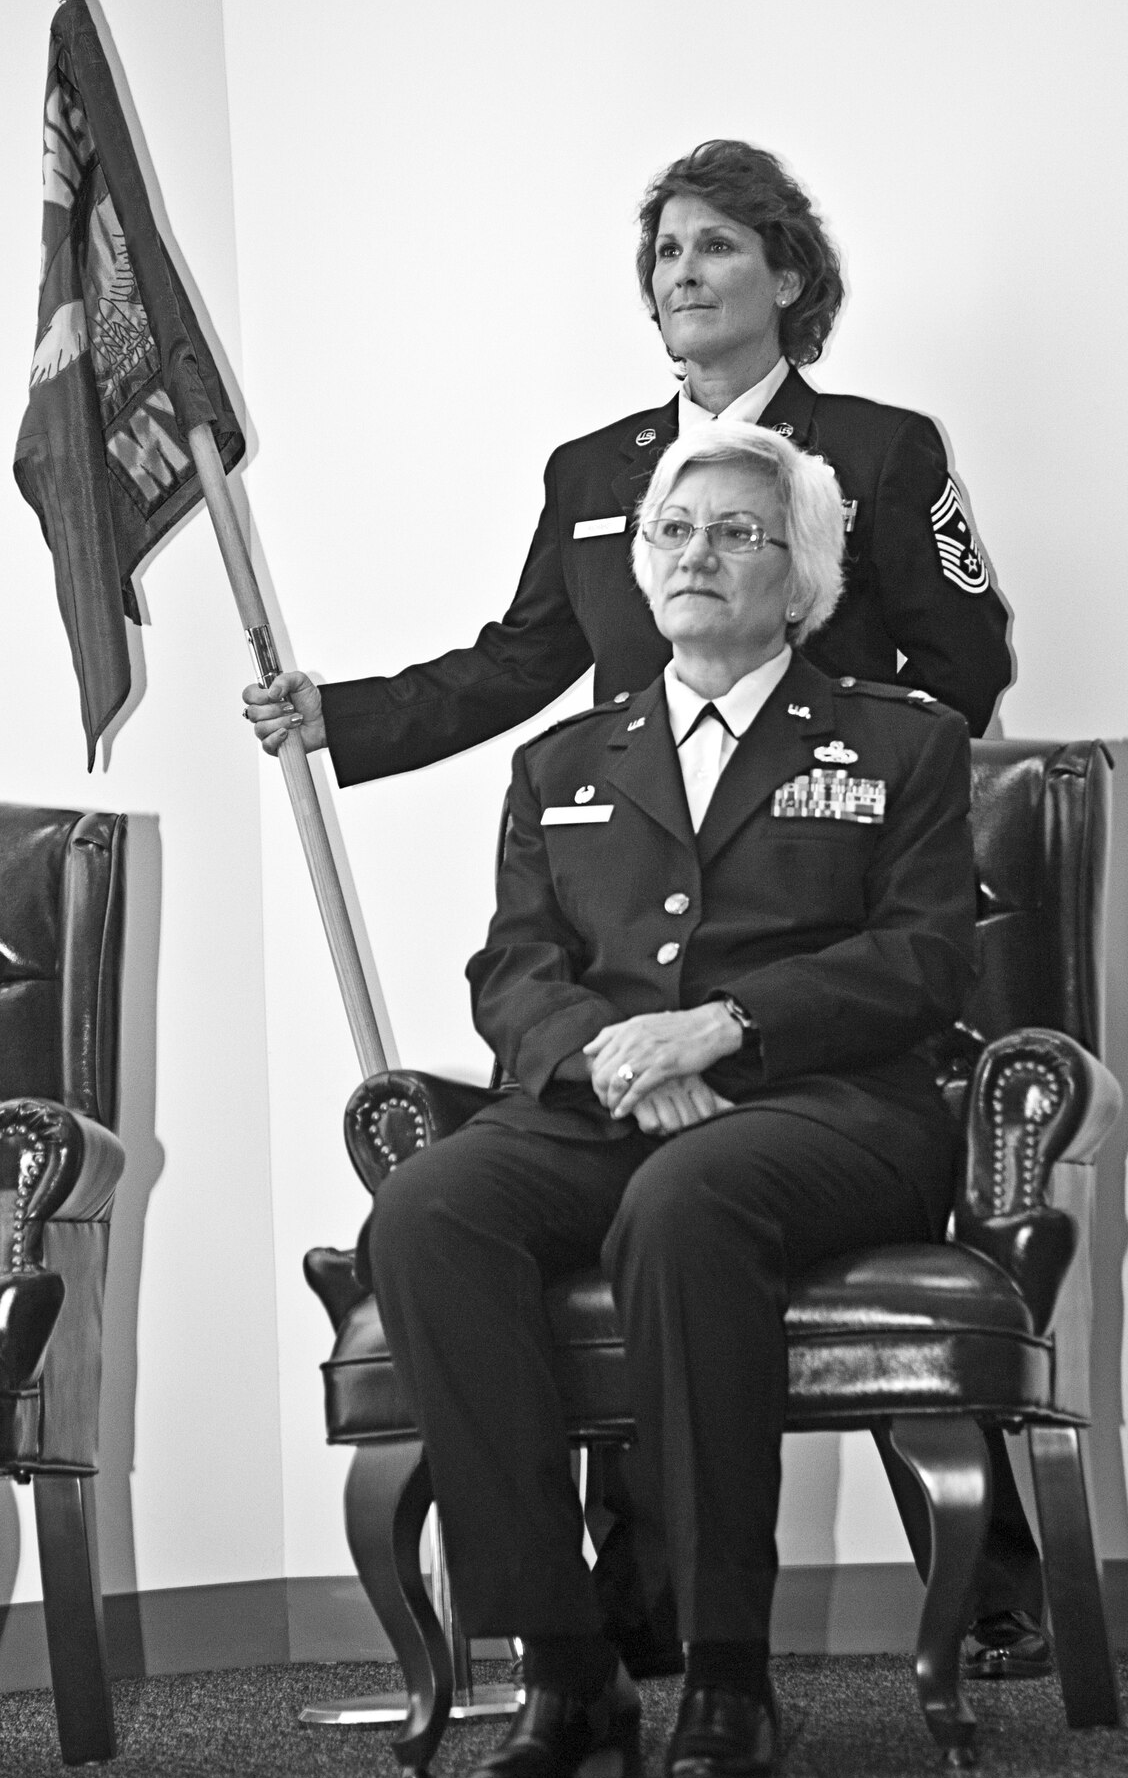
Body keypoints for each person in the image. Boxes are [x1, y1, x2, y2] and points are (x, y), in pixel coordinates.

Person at [243, 141, 1042, 1682]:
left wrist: (830, 759)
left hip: (822, 900)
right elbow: (518, 659)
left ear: (789, 279)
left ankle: (976, 1585)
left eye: (716, 248)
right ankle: (602, 1638)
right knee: (495, 1206)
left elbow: (967, 653)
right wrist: (336, 718)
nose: (679, 274)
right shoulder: (596, 475)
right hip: (624, 910)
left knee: (717, 1206)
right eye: (662, 252)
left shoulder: (878, 451)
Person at [365, 421, 977, 1778]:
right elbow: (513, 968)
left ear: (807, 579)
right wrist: (603, 1058)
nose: (698, 554)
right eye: (674, 533)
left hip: (838, 1111)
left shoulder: (902, 744)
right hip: (607, 1100)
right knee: (429, 1210)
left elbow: (926, 959)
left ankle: (724, 1667)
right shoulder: (564, 761)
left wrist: (731, 1025)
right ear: (641, 568)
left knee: (689, 1200)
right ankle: (569, 1669)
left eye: (739, 533)